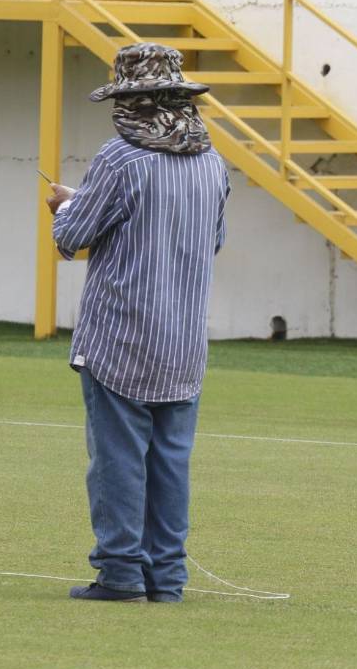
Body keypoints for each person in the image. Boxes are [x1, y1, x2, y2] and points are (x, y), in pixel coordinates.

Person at [46, 43, 230, 603]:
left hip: (121, 336)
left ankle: (121, 572)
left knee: (119, 460)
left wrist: (65, 206)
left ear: (130, 100)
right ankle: (167, 578)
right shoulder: (212, 162)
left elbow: (72, 237)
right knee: (171, 462)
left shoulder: (120, 158)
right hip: (184, 338)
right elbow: (212, 240)